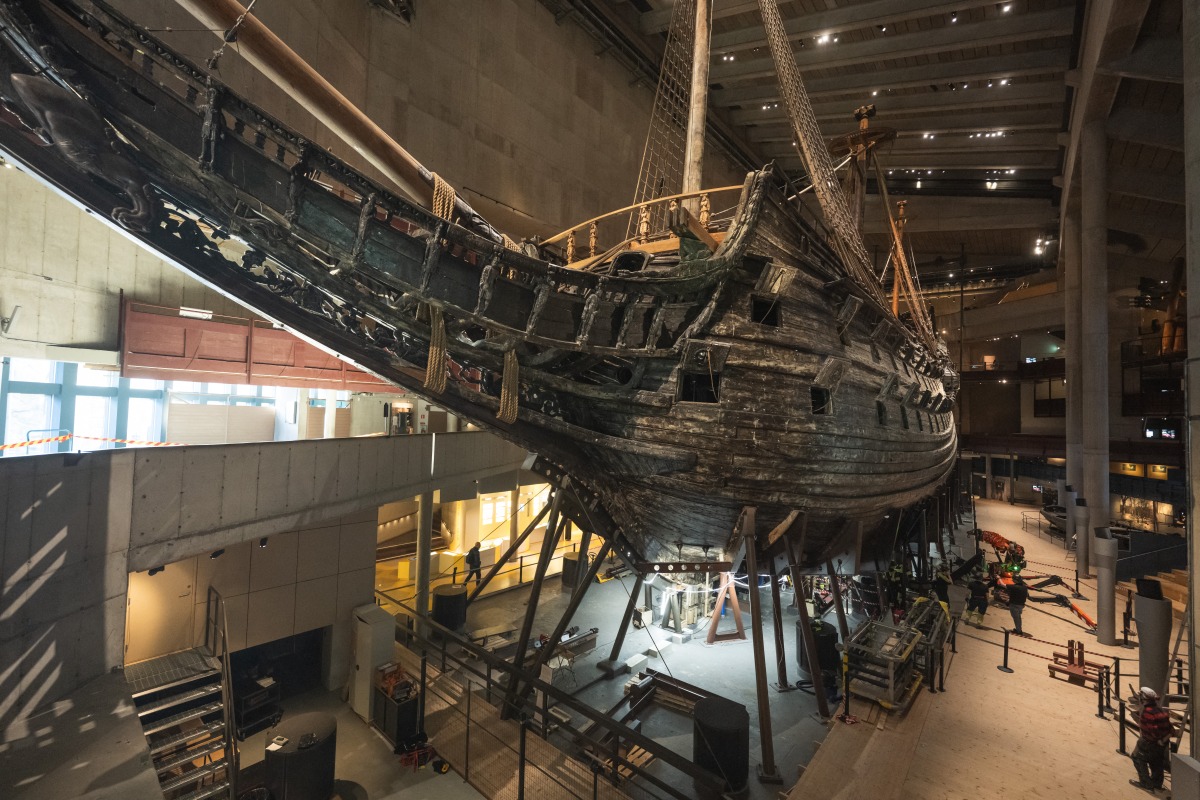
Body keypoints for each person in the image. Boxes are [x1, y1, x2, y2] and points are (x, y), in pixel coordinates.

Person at [1131, 686, 1174, 791]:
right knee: (1156, 762)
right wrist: (1164, 740)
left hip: (1149, 742)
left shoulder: (1147, 712)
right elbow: (1171, 729)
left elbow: (1153, 729)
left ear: (1143, 699)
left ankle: (1146, 783)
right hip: (1162, 743)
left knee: (1137, 757)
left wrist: (1158, 740)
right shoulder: (1160, 710)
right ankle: (1157, 784)